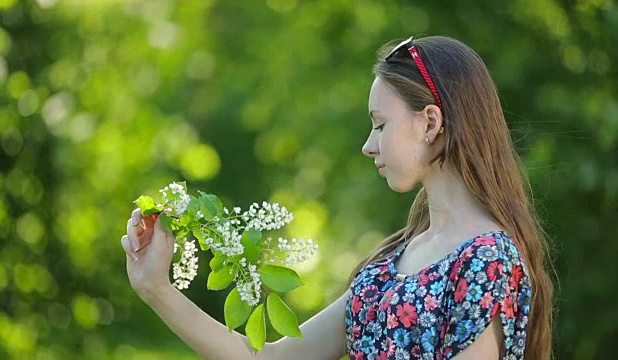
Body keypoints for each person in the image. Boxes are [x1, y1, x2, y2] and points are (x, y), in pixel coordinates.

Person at [121, 35, 553, 360]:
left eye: (380, 125)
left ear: (430, 123)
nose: (368, 145)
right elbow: (270, 359)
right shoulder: (389, 267)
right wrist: (155, 287)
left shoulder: (487, 260)